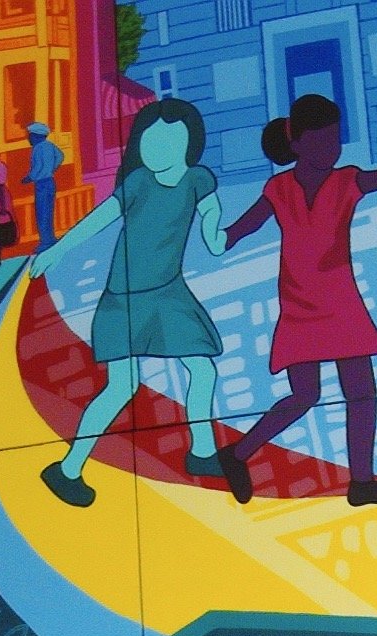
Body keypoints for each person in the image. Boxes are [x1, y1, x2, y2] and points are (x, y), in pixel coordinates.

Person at [28, 99, 229, 508]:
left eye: (171, 138)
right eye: (152, 138)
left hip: (169, 294)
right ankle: (68, 468)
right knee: (122, 386)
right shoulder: (137, 183)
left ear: (190, 142)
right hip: (124, 301)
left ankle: (202, 451)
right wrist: (55, 252)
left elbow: (213, 230)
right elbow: (97, 221)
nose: (160, 146)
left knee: (202, 368)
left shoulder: (199, 180)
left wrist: (219, 233)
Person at [220, 94, 377, 508]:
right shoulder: (279, 188)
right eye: (323, 142)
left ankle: (361, 480)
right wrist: (221, 236)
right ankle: (237, 454)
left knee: (361, 392)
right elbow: (246, 225)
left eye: (335, 141)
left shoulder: (346, 180)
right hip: (300, 305)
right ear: (296, 143)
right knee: (304, 396)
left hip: (340, 303)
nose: (332, 150)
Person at [26, 121, 63, 246]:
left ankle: (45, 241)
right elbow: (60, 156)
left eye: (30, 136)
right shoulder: (50, 146)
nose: (29, 138)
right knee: (49, 210)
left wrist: (29, 177)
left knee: (42, 212)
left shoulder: (37, 148)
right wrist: (52, 168)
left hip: (41, 183)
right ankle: (50, 238)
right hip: (50, 181)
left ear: (36, 136)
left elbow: (37, 167)